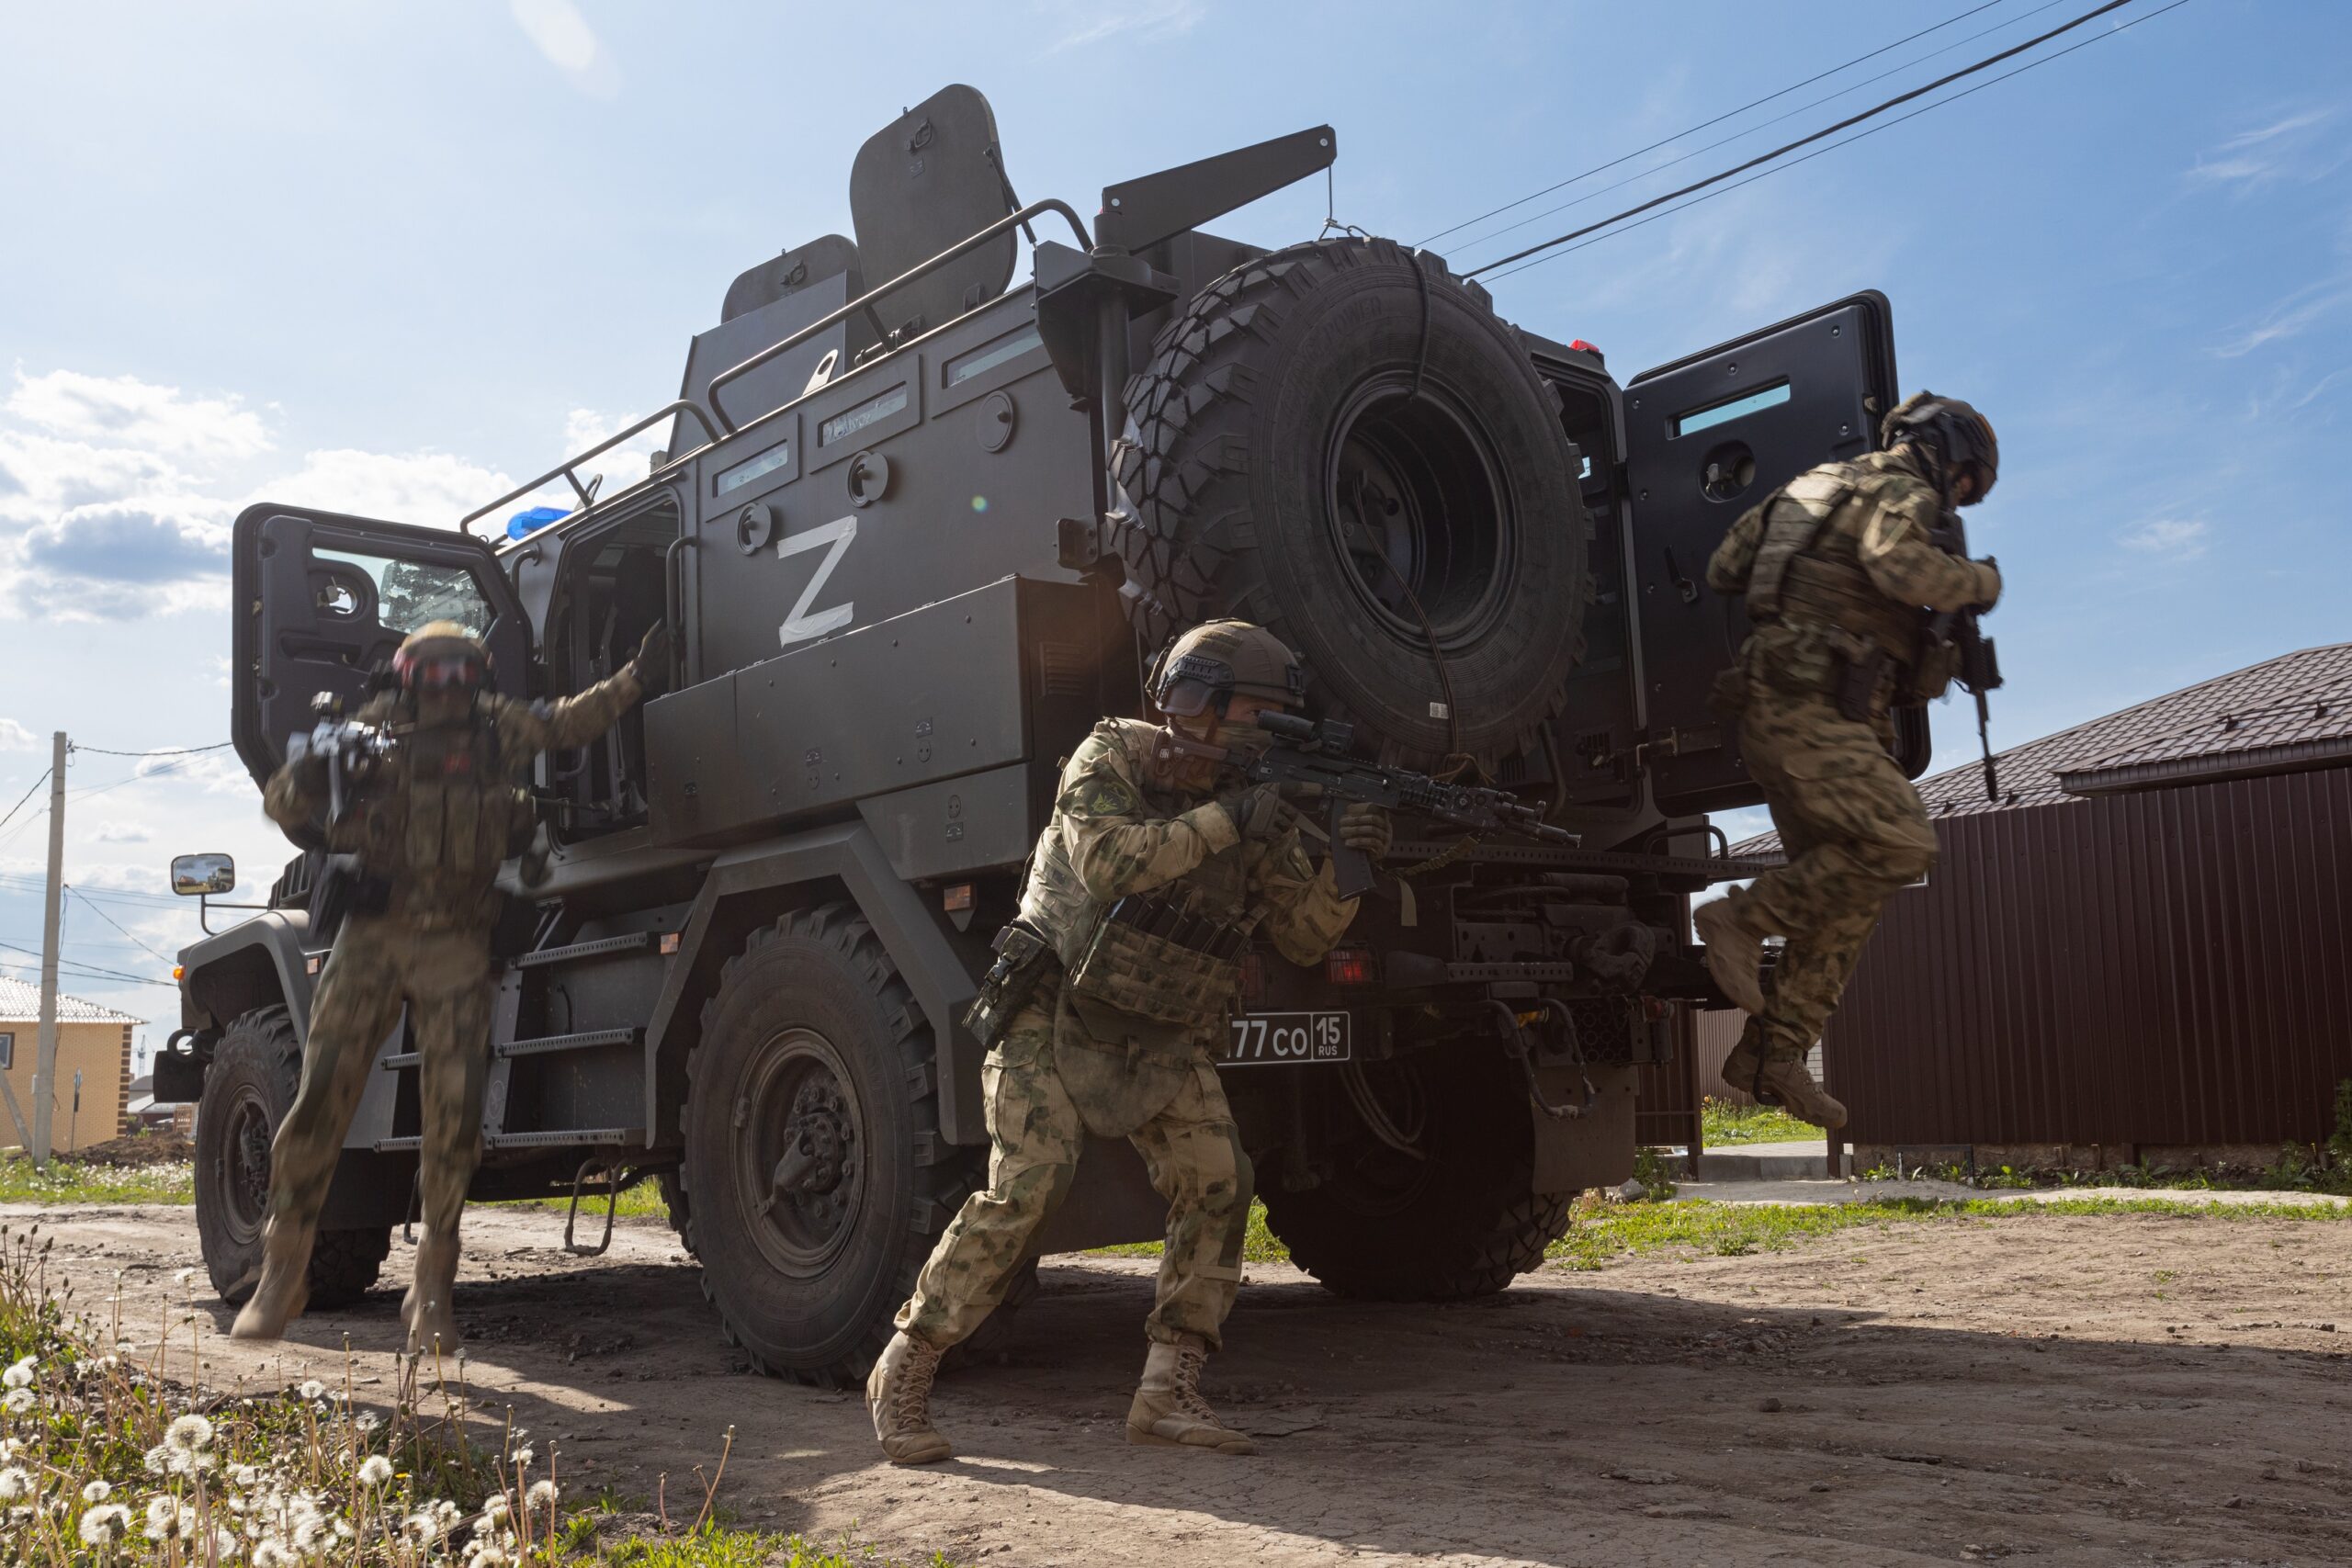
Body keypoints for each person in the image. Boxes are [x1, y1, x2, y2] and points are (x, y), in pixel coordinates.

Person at [867, 620, 1392, 1464]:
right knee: (1031, 1182)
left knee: (1222, 1179)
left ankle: (1167, 1389)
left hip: (1162, 1026)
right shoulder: (1110, 755)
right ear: (1198, 706)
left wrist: (1346, 871)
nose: (1270, 737)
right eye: (1260, 716)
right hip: (1054, 1006)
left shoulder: (1256, 810)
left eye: (1281, 723)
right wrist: (1233, 816)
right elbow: (1112, 863)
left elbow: (1302, 936)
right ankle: (908, 1364)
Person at [232, 617, 667, 1351]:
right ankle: (284, 1271)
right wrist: (305, 776)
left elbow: (566, 724)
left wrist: (632, 678)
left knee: (454, 1119)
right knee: (319, 1100)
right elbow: (284, 807)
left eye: (460, 676)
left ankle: (431, 1289)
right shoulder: (362, 737)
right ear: (406, 677)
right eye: (432, 676)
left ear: (480, 678)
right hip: (374, 938)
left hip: (458, 945)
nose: (446, 690)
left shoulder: (496, 732)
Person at [1693, 393, 2003, 1130]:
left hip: (1781, 714)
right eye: (1965, 481)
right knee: (1902, 842)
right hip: (1817, 718)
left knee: (1843, 895)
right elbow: (1900, 566)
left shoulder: (1806, 489)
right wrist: (1981, 583)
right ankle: (1738, 918)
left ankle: (1774, 1052)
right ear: (1944, 451)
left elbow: (1725, 564)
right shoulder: (1901, 490)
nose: (1959, 496)